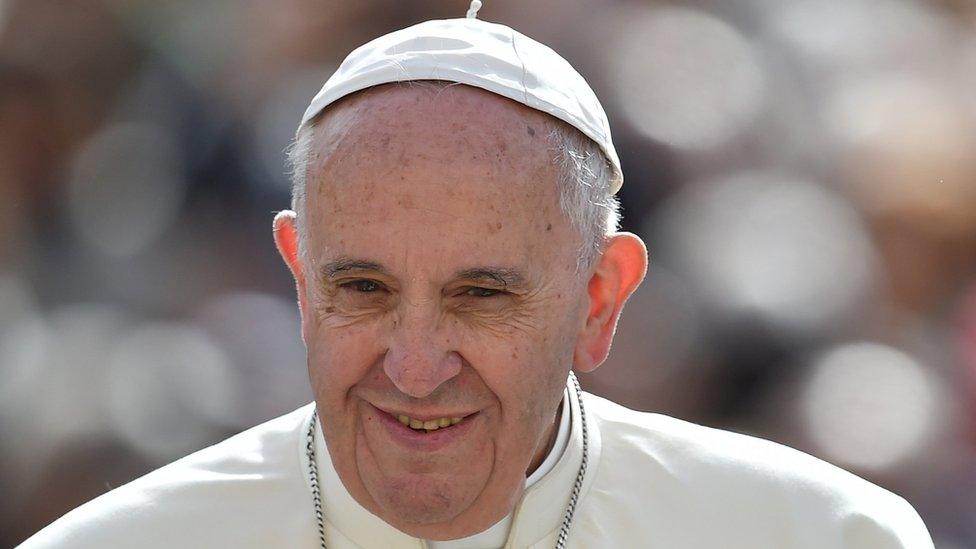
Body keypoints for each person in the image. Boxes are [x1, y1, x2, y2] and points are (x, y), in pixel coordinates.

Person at [21, 6, 934, 549]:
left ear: (599, 299)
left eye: (482, 295)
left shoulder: (818, 536)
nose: (416, 368)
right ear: (300, 282)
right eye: (365, 290)